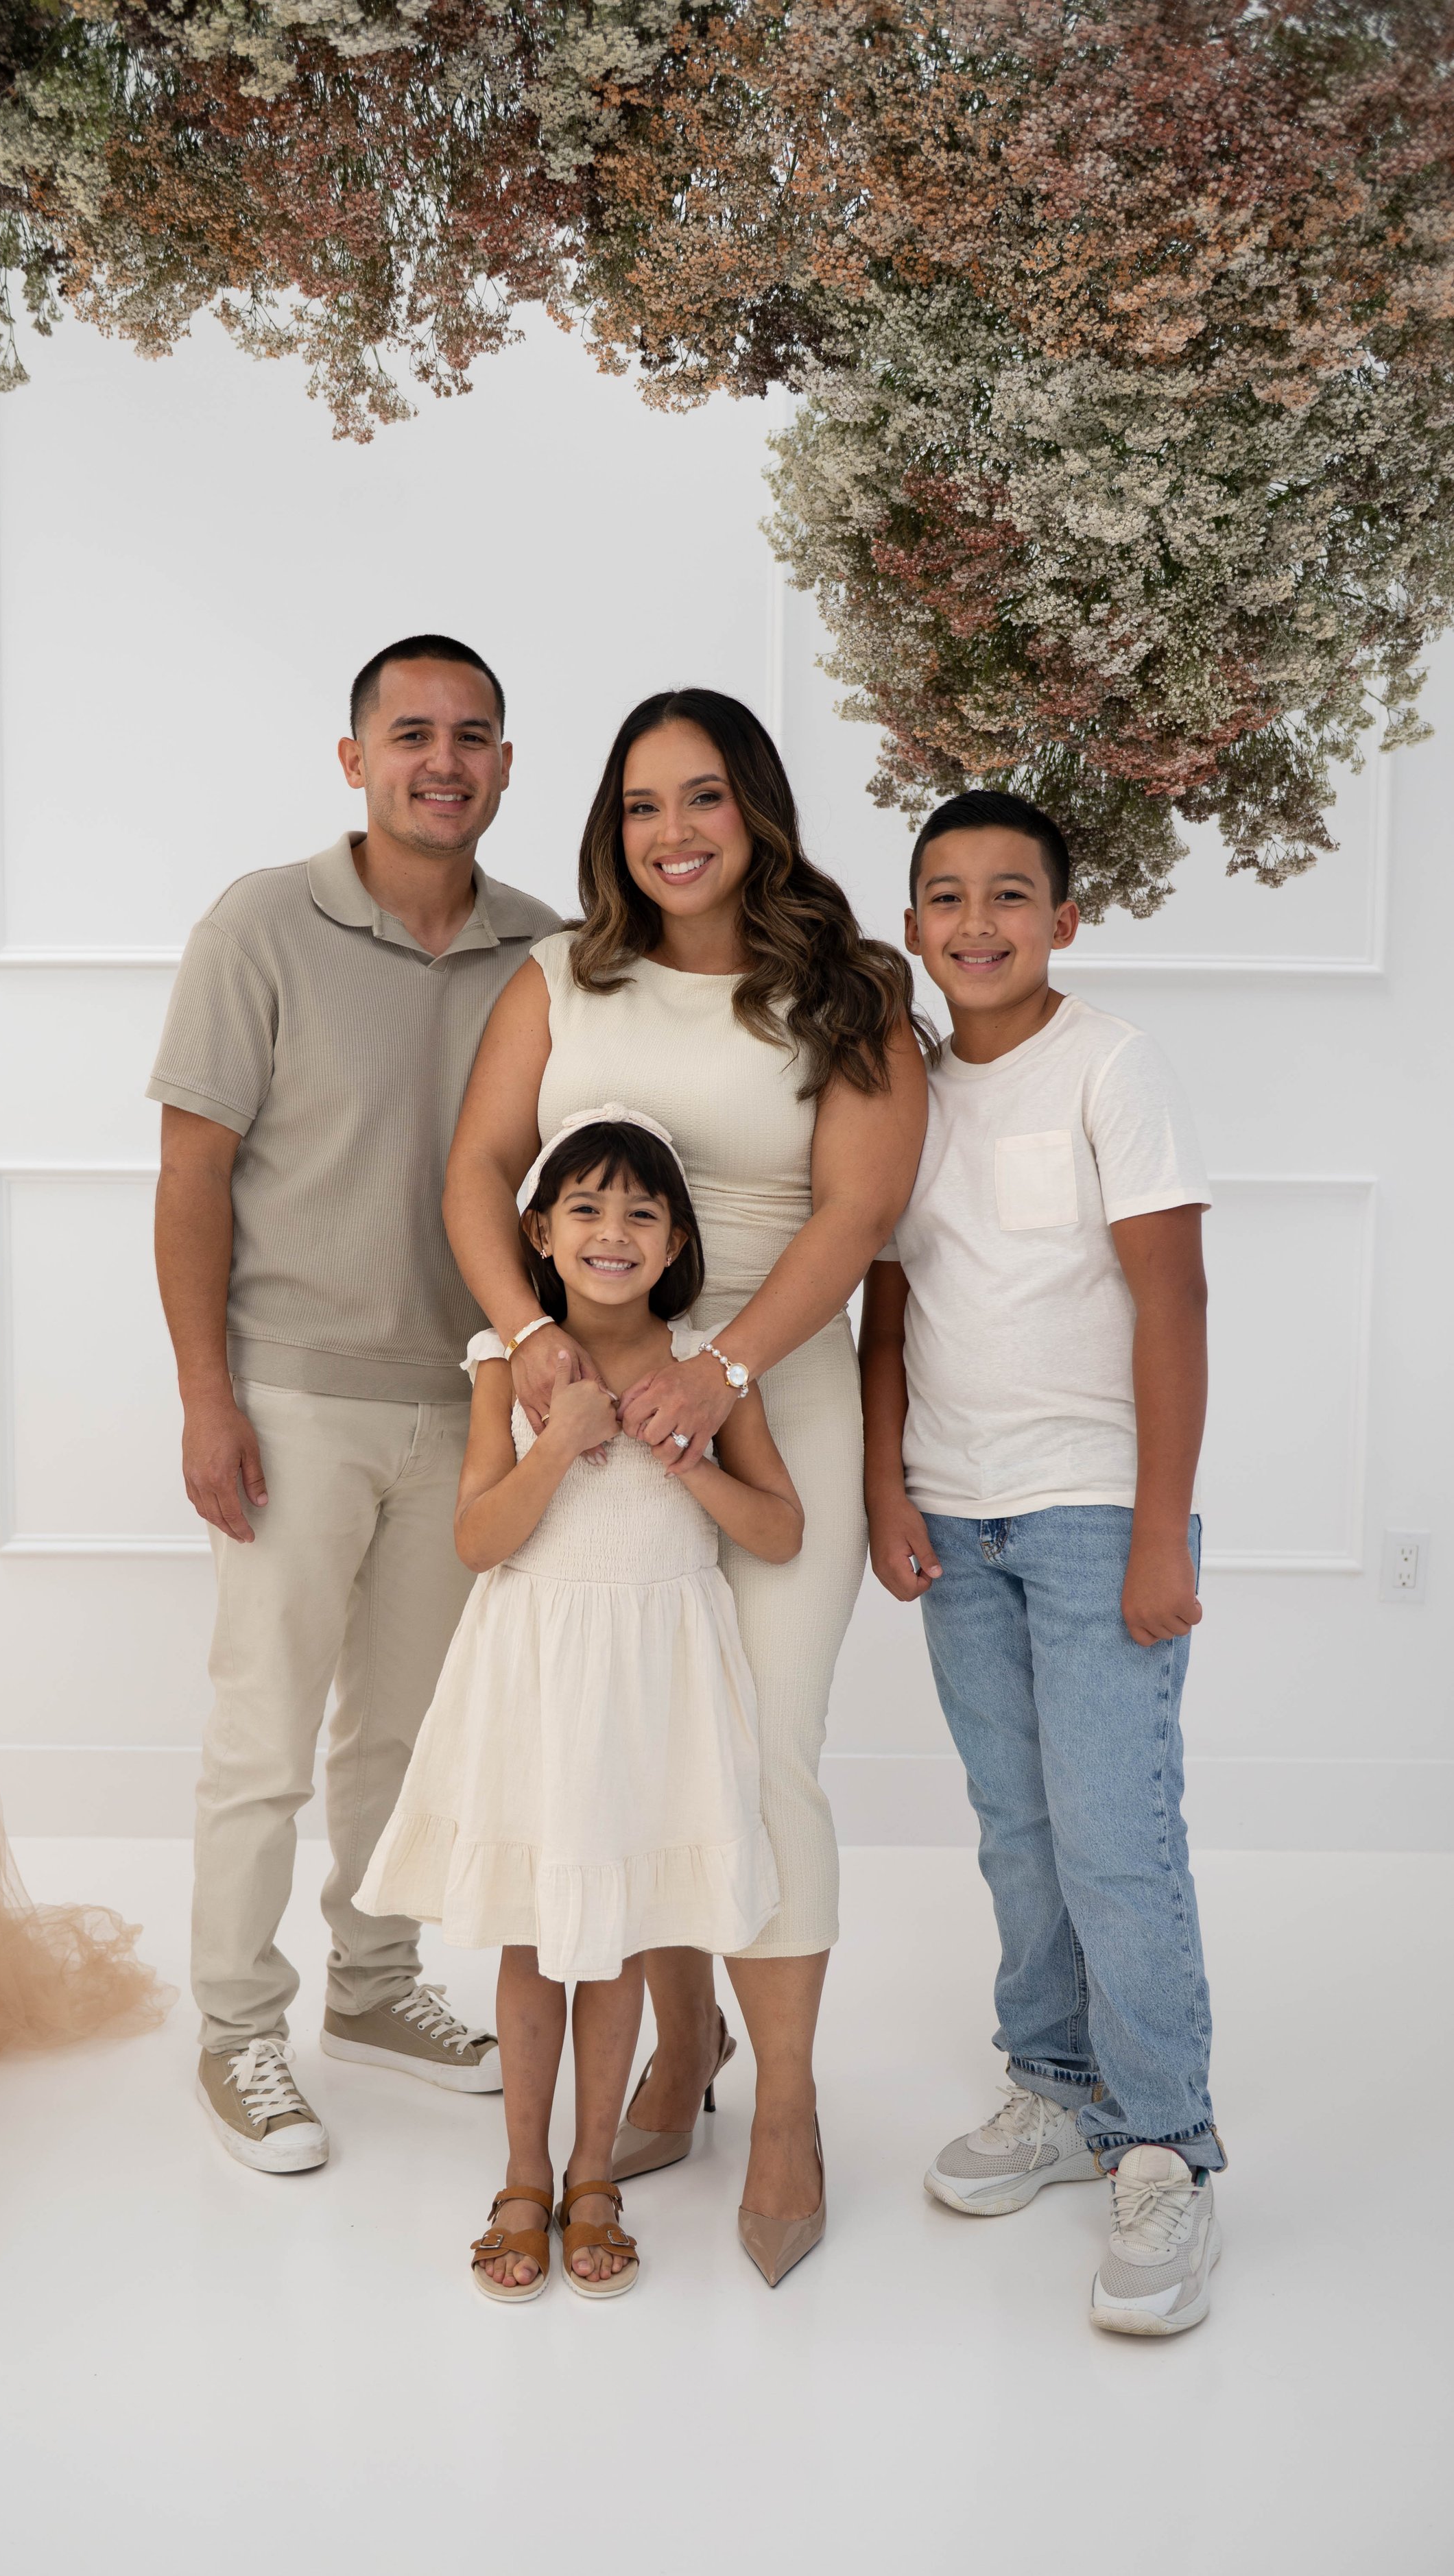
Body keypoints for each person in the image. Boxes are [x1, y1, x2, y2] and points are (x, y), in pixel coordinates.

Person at [444, 690, 928, 2281]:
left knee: (762, 1754)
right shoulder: (557, 979)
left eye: (702, 796)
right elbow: (476, 1172)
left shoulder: (847, 990)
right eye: (642, 803)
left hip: (766, 1393)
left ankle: (782, 2103)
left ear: (755, 808)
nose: (672, 831)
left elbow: (854, 1214)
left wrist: (719, 1371)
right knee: (631, 1738)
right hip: (589, 1400)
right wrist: (529, 1341)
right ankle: (675, 2049)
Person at [149, 634, 562, 2172]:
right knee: (263, 1736)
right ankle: (235, 2028)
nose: (441, 760)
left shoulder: (548, 949)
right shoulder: (260, 923)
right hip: (291, 1396)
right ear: (355, 760)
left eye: (471, 735)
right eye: (410, 733)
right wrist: (206, 1396)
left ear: (505, 765)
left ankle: (375, 1989)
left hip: (465, 1404)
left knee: (403, 1735)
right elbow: (190, 1178)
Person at [861, 786, 1224, 2336]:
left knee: (1114, 1838)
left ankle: (1166, 2144)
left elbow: (1173, 1297)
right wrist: (885, 1486)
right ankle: (1056, 2085)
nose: (977, 922)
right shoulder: (904, 1089)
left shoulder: (1110, 1066)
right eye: (945, 896)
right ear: (910, 926)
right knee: (1017, 1831)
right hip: (956, 1519)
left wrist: (1156, 1525)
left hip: (1092, 1512)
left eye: (1010, 894)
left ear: (1064, 919)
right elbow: (886, 1312)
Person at [359, 1107, 802, 2301]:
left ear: (676, 1243)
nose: (614, 1232)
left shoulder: (707, 1369)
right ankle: (521, 2173)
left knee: (615, 1934)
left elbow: (780, 1528)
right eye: (586, 1208)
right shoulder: (502, 1365)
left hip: (652, 1685)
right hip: (538, 1679)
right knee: (534, 1933)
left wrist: (690, 1457)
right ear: (541, 1234)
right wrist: (558, 1441)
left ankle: (593, 2172)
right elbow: (476, 1538)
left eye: (642, 1213)